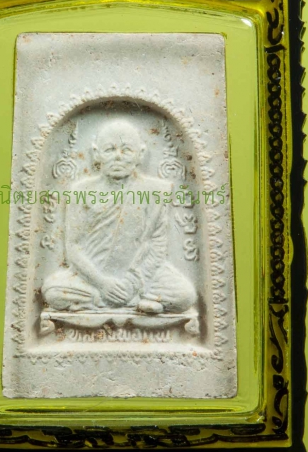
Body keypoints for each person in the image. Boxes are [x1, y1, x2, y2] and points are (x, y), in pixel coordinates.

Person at [42, 118, 196, 315]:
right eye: (109, 150)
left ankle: (113, 299)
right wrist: (102, 283)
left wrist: (132, 283)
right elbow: (73, 247)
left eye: (126, 150)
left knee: (186, 295)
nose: (118, 157)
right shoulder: (80, 191)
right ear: (96, 154)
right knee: (52, 290)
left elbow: (157, 245)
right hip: (93, 277)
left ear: (140, 154)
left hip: (141, 276)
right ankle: (131, 301)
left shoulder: (156, 191)